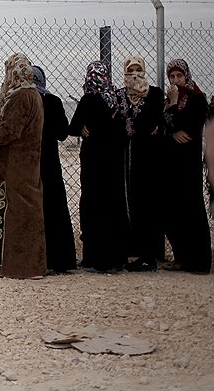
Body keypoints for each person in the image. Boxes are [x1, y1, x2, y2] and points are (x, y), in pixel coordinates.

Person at [0, 53, 46, 279]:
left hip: (14, 166)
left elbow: (9, 131)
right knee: (28, 210)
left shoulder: (20, 97)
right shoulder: (34, 94)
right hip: (29, 163)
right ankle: (30, 265)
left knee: (14, 212)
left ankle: (16, 265)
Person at [69, 60, 128, 273]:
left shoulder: (89, 99)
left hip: (94, 160)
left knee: (93, 206)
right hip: (114, 161)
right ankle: (117, 258)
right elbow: (124, 130)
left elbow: (72, 127)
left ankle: (95, 258)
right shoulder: (117, 99)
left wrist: (83, 128)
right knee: (113, 205)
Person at [160, 59, 211, 274]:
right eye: (172, 77)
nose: (175, 80)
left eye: (179, 76)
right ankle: (181, 257)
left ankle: (200, 261)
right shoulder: (170, 100)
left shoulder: (197, 98)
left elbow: (190, 126)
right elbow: (165, 125)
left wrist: (174, 121)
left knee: (192, 209)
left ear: (186, 76)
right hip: (171, 162)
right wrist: (172, 129)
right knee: (172, 210)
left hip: (188, 162)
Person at [119, 57, 166, 272]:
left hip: (149, 156)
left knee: (148, 201)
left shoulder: (154, 93)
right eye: (131, 71)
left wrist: (146, 125)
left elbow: (152, 121)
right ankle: (134, 251)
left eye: (138, 70)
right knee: (130, 202)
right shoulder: (121, 95)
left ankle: (150, 254)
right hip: (126, 155)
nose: (135, 75)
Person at [31, 66, 76, 273]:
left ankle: (33, 258)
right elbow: (62, 133)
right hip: (50, 162)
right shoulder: (53, 101)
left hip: (28, 162)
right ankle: (61, 260)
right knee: (55, 208)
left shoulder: (21, 100)